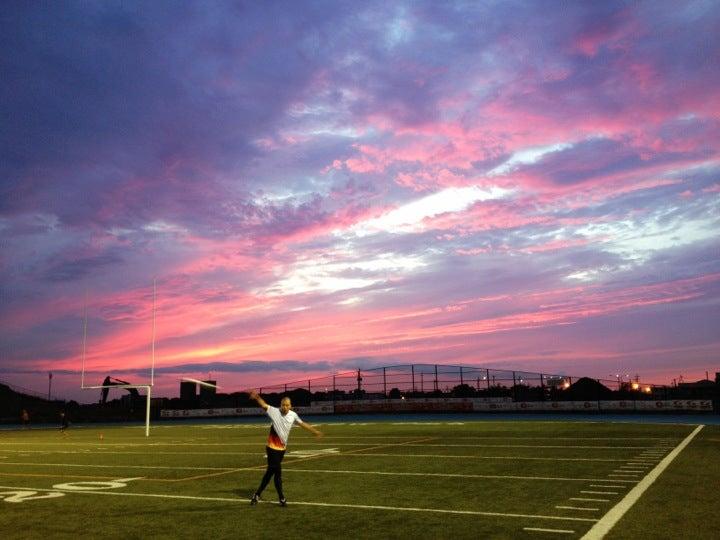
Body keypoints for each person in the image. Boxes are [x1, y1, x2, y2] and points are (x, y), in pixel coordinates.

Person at [248, 390, 322, 507]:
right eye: (283, 404)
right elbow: (263, 404)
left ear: (291, 406)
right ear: (280, 405)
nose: (285, 407)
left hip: (282, 449)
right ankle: (282, 498)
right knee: (278, 473)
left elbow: (302, 424)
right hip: (272, 448)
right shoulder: (274, 411)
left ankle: (256, 494)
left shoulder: (293, 415)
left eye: (287, 405)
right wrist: (257, 397)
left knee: (269, 473)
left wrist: (315, 431)